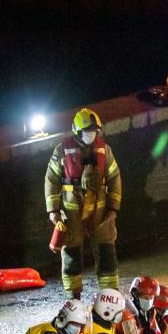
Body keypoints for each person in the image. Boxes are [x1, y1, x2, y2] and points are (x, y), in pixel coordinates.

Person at [44, 108, 122, 299]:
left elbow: (114, 178)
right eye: (87, 131)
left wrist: (113, 209)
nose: (90, 135)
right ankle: (73, 295)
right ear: (77, 132)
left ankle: (110, 293)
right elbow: (51, 180)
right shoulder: (62, 150)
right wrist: (53, 211)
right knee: (71, 252)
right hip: (72, 211)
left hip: (100, 209)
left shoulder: (105, 150)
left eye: (94, 131)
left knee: (106, 250)